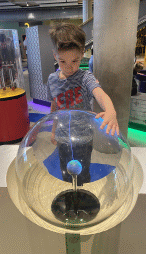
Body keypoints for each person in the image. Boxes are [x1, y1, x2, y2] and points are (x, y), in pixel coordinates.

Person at [47, 23, 119, 185]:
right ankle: (70, 195)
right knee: (66, 171)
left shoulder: (86, 77)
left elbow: (99, 93)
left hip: (84, 138)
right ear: (55, 56)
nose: (69, 66)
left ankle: (82, 197)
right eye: (62, 61)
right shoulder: (52, 80)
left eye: (75, 60)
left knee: (83, 172)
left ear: (82, 54)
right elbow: (55, 107)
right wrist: (53, 131)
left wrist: (110, 110)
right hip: (63, 137)